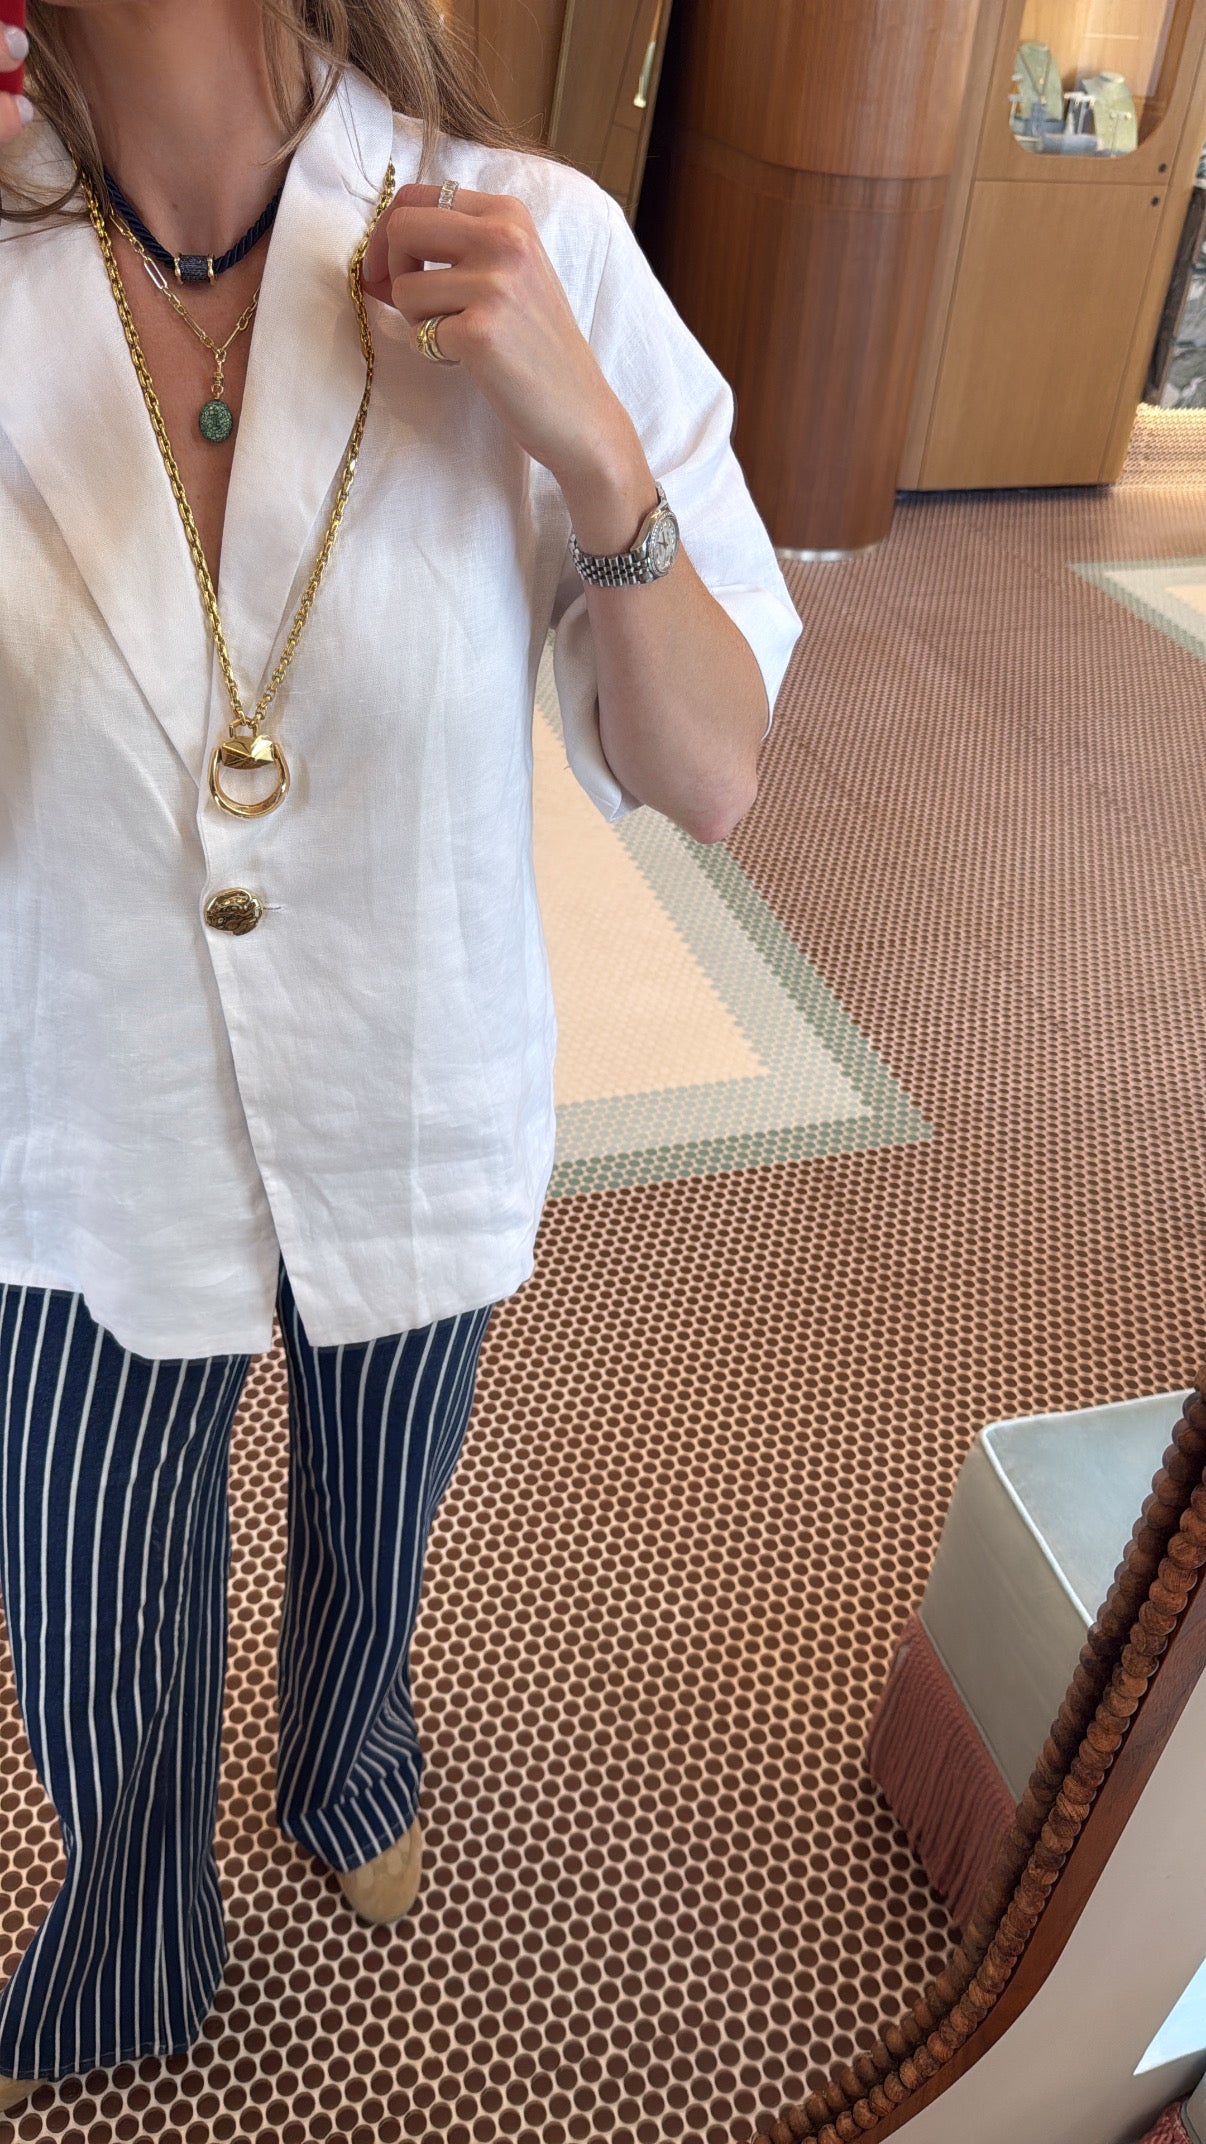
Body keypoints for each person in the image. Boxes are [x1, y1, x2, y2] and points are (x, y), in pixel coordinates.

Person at [0, 0, 803, 2107]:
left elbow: (708, 770)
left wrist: (595, 454)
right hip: (74, 1102)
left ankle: (350, 1758)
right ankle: (130, 1923)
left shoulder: (530, 237)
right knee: (86, 1595)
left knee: (380, 1513)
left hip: (409, 1071)